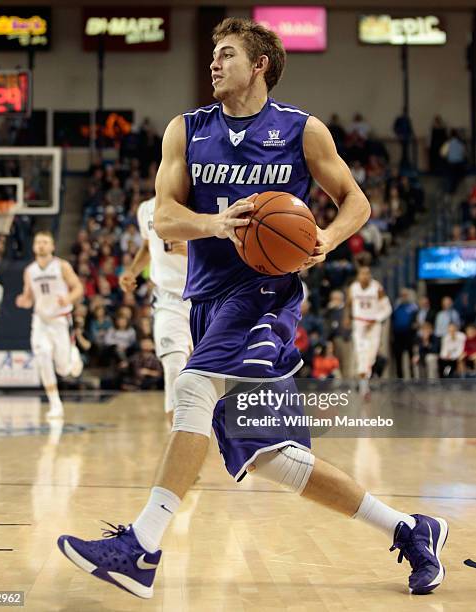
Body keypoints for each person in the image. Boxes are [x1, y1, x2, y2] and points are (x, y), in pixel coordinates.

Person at [57, 18, 448, 598]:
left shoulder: (301, 129)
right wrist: (218, 224)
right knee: (273, 458)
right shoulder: (185, 131)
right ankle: (411, 528)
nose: (213, 64)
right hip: (207, 300)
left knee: (192, 388)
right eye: (213, 55)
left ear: (259, 63)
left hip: (265, 296)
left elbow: (356, 203)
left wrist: (326, 241)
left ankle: (142, 547)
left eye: (226, 54)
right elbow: (164, 218)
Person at [119, 196, 191, 424]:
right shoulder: (146, 209)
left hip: (206, 295)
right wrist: (133, 270)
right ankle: (177, 429)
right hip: (168, 297)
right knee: (173, 364)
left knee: (213, 370)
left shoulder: (201, 200)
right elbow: (148, 246)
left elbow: (224, 246)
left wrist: (190, 249)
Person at [16, 231, 84, 418]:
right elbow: (29, 297)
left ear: (52, 246)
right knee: (42, 357)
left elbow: (78, 287)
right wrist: (24, 301)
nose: (41, 245)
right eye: (38, 242)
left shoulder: (61, 266)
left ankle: (73, 355)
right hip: (40, 320)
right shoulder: (30, 271)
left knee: (63, 369)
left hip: (60, 319)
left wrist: (68, 298)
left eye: (45, 242)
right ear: (34, 246)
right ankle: (55, 404)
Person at [344, 266, 392, 397]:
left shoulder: (377, 287)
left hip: (374, 325)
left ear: (370, 275)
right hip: (359, 323)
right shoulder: (353, 288)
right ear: (358, 275)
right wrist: (347, 317)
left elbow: (387, 308)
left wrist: (377, 319)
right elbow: (348, 304)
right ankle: (364, 388)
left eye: (367, 274)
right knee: (361, 355)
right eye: (362, 274)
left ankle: (365, 380)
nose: (365, 276)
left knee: (370, 357)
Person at [391, 288, 418, 379]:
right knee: (398, 357)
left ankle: (413, 376)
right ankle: (400, 377)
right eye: (402, 295)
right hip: (398, 335)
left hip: (409, 335)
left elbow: (415, 320)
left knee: (411, 356)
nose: (403, 297)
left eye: (405, 295)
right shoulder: (396, 306)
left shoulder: (412, 307)